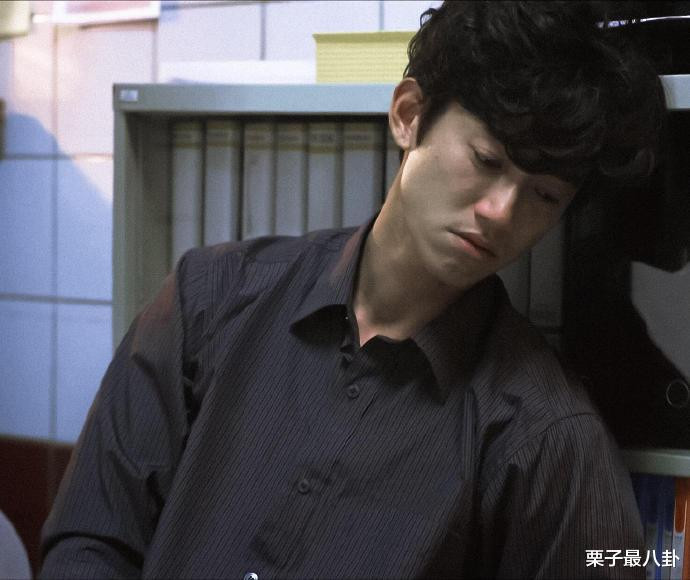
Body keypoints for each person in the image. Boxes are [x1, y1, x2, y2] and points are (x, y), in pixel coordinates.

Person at [40, 1, 666, 578]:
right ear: (409, 115)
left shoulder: (547, 439)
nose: (502, 212)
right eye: (487, 160)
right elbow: (90, 543)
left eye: (545, 196)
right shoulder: (207, 299)